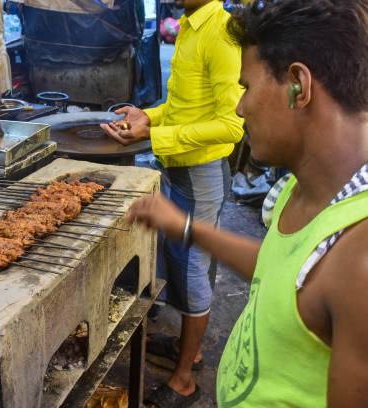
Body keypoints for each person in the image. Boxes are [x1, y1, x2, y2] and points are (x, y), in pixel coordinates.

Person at [125, 0, 368, 406]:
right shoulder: (302, 186)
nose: (240, 107)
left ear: (298, 86)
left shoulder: (359, 262)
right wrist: (186, 227)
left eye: (247, 88)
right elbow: (276, 268)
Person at [101, 0, 244, 404]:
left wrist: (153, 137)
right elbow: (183, 110)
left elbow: (232, 125)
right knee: (178, 261)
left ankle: (184, 379)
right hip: (179, 169)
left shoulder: (221, 32)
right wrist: (147, 115)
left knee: (193, 267)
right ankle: (192, 350)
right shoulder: (188, 25)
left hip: (201, 175)